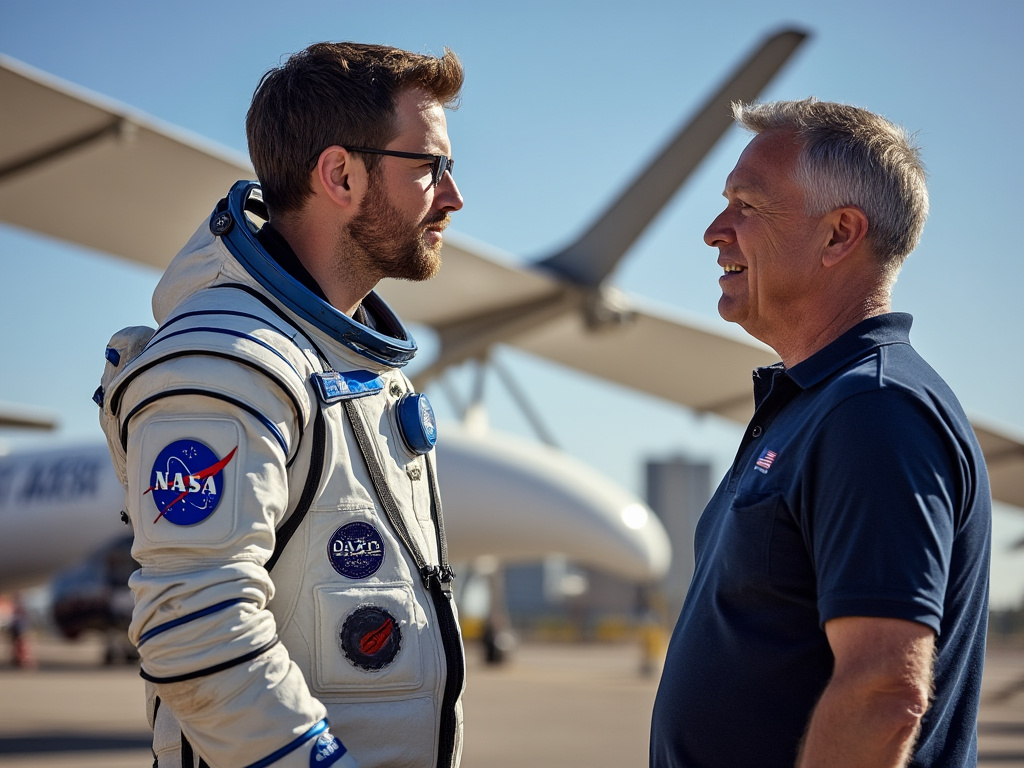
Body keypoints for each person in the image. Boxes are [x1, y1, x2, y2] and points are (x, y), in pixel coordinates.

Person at [95, 42, 466, 768]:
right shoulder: (224, 362)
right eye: (430, 167)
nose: (453, 197)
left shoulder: (346, 363)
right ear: (340, 173)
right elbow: (197, 631)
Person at [649, 98, 991, 768]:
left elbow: (884, 692)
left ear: (839, 235)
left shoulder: (874, 411)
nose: (716, 230)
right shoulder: (819, 404)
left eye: (748, 205)